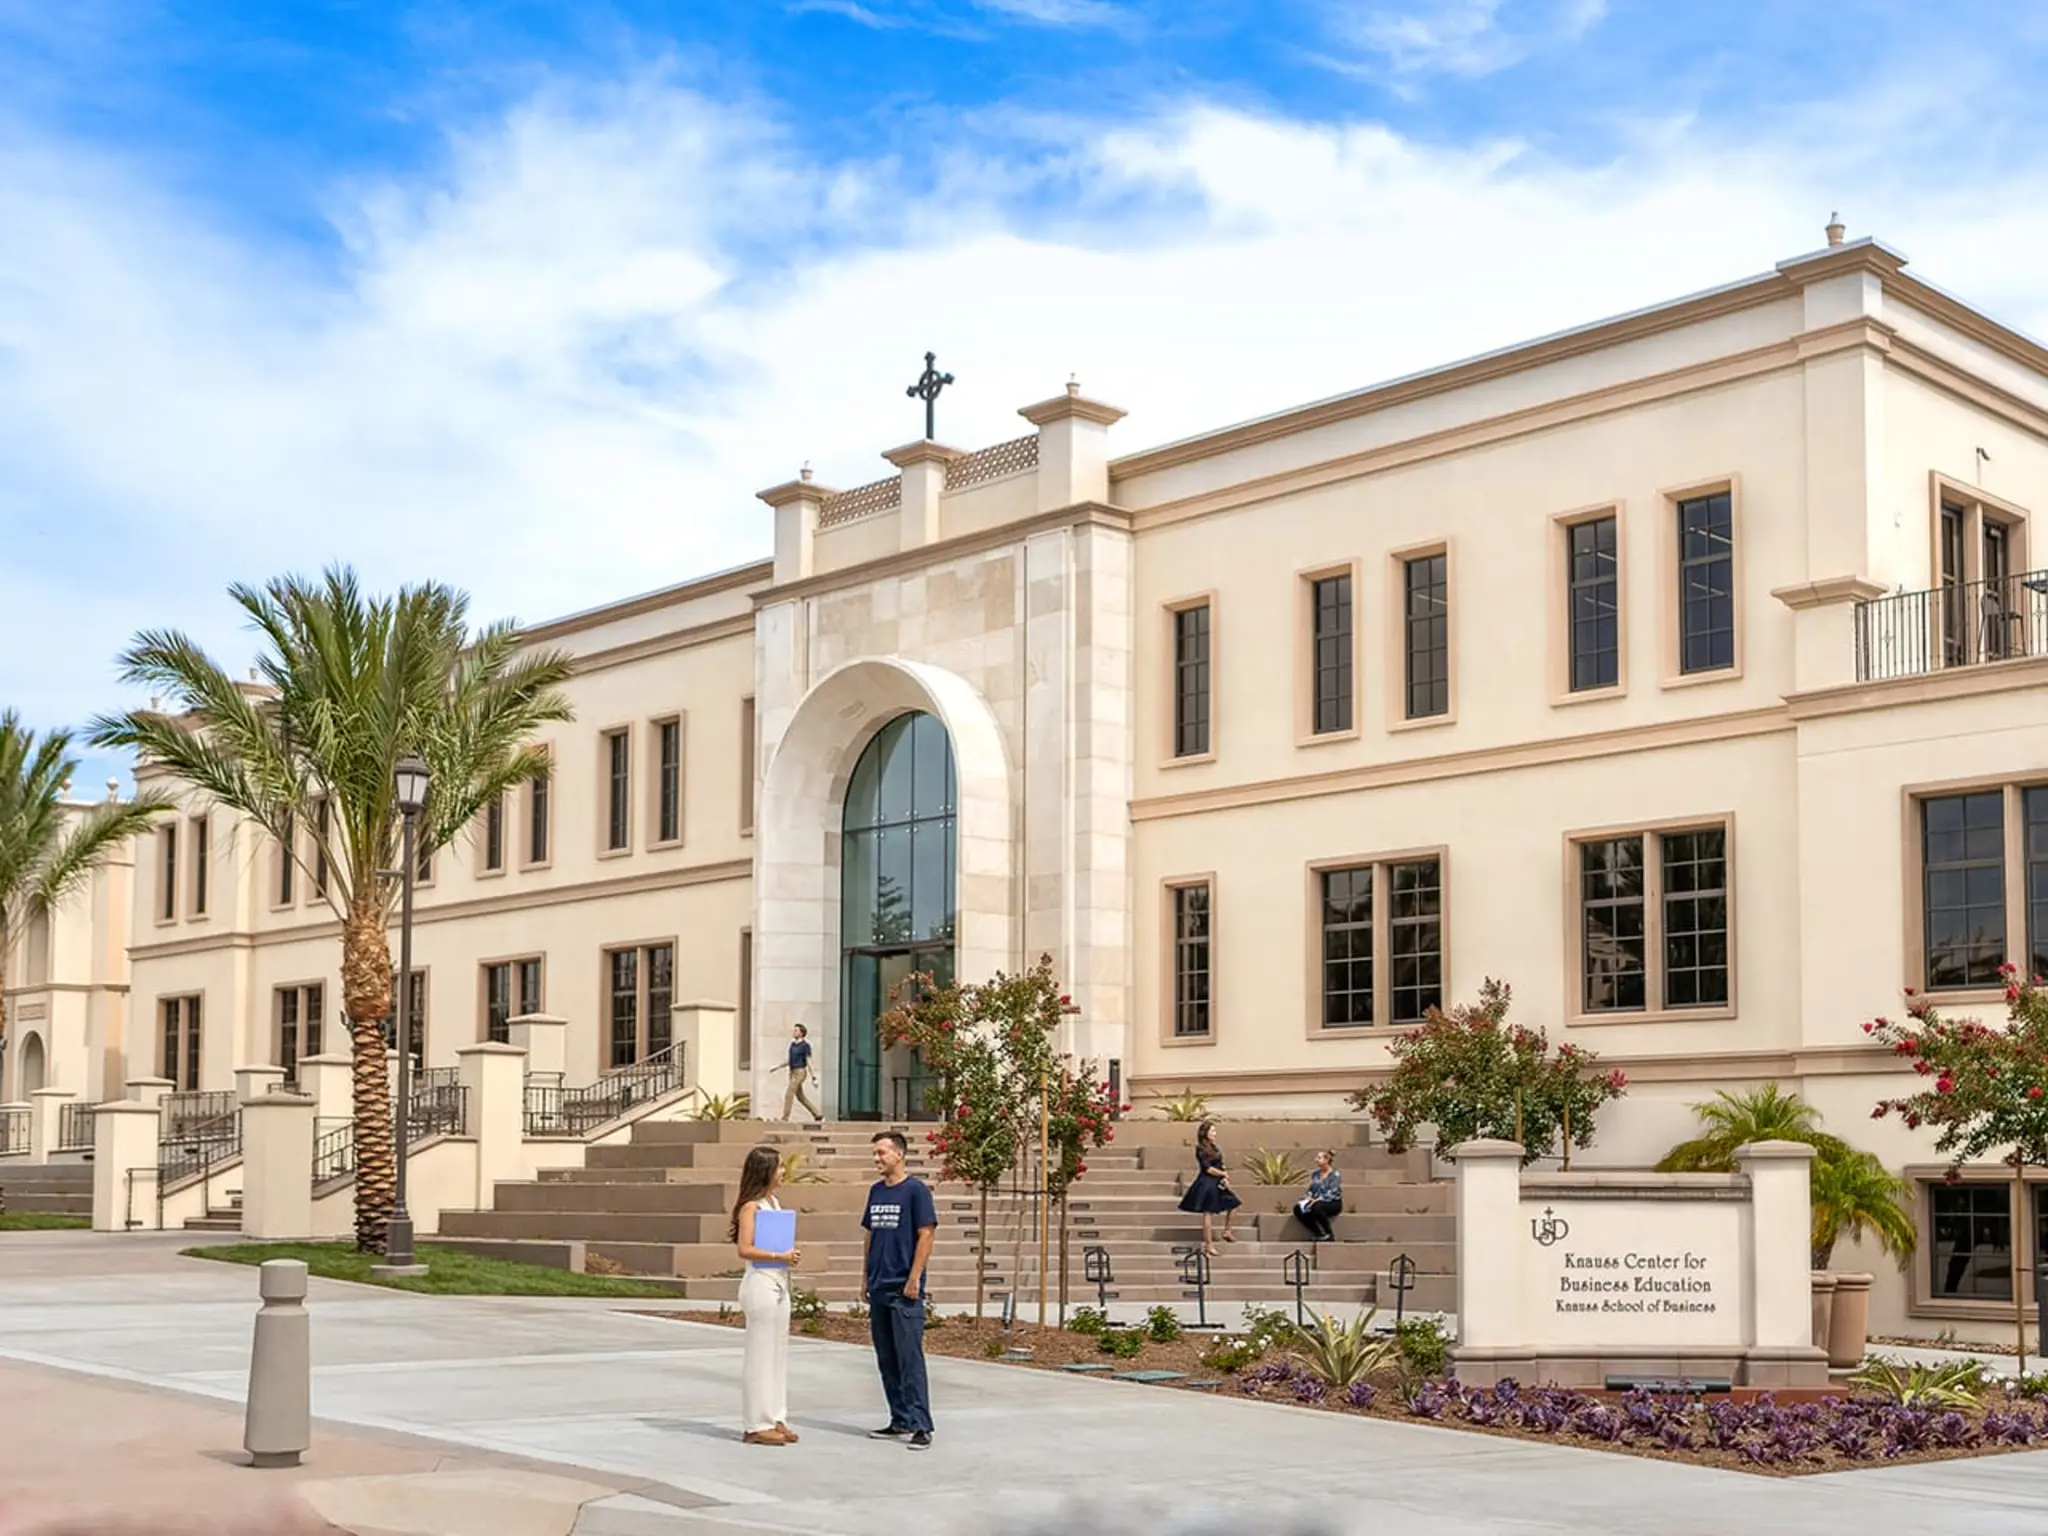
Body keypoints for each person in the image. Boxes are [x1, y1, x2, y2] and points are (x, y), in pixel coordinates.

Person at [862, 1129, 937, 1450]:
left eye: (882, 1152)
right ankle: (900, 1418)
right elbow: (869, 1235)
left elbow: (926, 1234)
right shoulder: (876, 1191)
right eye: (875, 1153)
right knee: (887, 1358)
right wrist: (864, 1277)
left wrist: (914, 1277)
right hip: (879, 1286)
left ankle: (921, 1424)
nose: (877, 1158)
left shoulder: (916, 1191)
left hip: (904, 1290)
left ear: (899, 1154)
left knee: (909, 1358)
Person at [729, 1144, 803, 1446]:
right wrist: (778, 1255)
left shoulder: (774, 1202)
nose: (784, 1172)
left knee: (777, 1352)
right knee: (760, 1354)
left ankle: (776, 1415)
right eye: (779, 1167)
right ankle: (755, 1423)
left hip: (779, 1281)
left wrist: (789, 1256)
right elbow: (744, 1249)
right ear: (765, 1171)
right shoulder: (752, 1206)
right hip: (760, 1281)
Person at [1177, 1119, 1240, 1256]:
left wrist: (1224, 1177)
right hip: (1207, 1183)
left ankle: (1227, 1231)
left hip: (1217, 1182)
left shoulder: (1215, 1148)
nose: (1215, 1133)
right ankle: (1209, 1245)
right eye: (1212, 1130)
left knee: (1234, 1203)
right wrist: (1223, 1173)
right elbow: (1208, 1169)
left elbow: (1220, 1164)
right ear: (1205, 1133)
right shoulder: (1200, 1149)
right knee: (1208, 1213)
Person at [772, 1023, 821, 1122]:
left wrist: (814, 1077)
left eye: (796, 1030)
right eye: (794, 1030)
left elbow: (809, 1061)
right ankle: (818, 1114)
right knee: (800, 1097)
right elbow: (790, 1060)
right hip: (792, 1071)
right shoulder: (793, 1045)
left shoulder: (805, 1046)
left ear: (801, 1033)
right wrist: (777, 1067)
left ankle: (785, 1118)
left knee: (789, 1094)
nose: (793, 1032)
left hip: (800, 1072)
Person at [1293, 1150, 1344, 1242]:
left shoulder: (1335, 1175)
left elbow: (1333, 1191)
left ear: (1326, 1160)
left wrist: (1319, 1199)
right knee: (1298, 1209)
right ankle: (1318, 1232)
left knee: (1318, 1208)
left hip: (1332, 1202)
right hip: (1315, 1200)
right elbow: (1311, 1189)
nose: (1316, 1160)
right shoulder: (1315, 1174)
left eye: (1319, 1158)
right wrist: (1307, 1198)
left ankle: (1328, 1234)